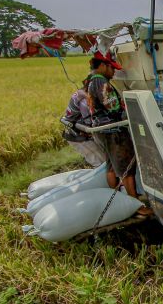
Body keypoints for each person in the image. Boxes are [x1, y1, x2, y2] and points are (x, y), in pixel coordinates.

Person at [86, 51, 152, 215]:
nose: (114, 72)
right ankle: (136, 206)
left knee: (111, 166)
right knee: (126, 167)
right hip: (113, 129)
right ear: (102, 66)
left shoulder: (91, 81)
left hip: (102, 129)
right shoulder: (102, 82)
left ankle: (118, 199)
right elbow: (114, 109)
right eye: (111, 68)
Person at [60, 77, 106, 167]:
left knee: (103, 161)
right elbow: (90, 123)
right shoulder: (84, 101)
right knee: (101, 163)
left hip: (76, 132)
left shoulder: (81, 93)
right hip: (78, 136)